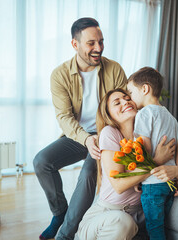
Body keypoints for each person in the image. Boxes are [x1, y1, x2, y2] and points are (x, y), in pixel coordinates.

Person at [33, 18, 127, 240]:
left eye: (101, 42)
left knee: (87, 174)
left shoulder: (114, 69)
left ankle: (65, 234)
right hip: (78, 135)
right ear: (75, 44)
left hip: (107, 135)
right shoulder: (60, 74)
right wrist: (85, 139)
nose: (98, 48)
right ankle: (60, 214)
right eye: (91, 43)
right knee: (42, 162)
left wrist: (103, 139)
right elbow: (64, 117)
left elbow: (122, 108)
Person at [77, 89, 178, 239]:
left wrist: (175, 173)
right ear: (109, 114)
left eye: (127, 98)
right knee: (123, 222)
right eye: (117, 103)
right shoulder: (110, 133)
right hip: (107, 216)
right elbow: (119, 185)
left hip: (138, 217)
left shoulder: (150, 133)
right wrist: (156, 161)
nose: (125, 102)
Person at [126, 67, 178, 239]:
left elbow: (144, 150)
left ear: (145, 89)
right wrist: (177, 170)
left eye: (131, 92)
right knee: (162, 225)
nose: (129, 98)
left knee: (154, 228)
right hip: (169, 183)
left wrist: (140, 176)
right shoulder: (170, 116)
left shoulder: (144, 114)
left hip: (153, 183)